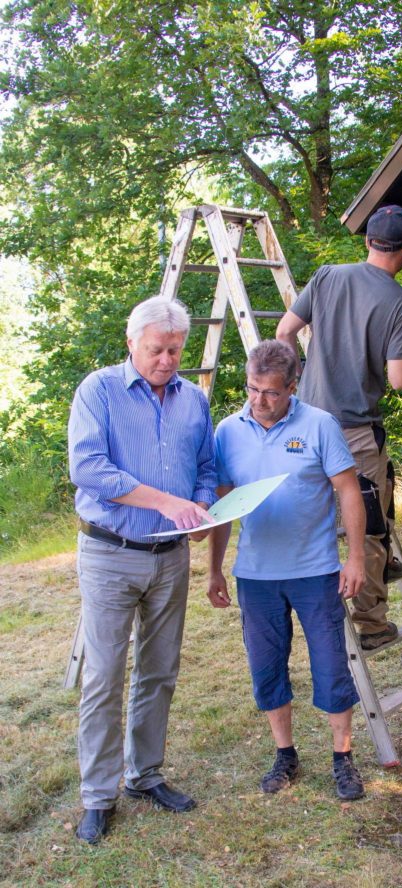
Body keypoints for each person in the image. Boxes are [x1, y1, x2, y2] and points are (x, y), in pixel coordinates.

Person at [68, 295, 217, 844]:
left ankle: (144, 775)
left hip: (170, 557)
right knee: (104, 676)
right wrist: (162, 502)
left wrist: (199, 509)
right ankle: (97, 797)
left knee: (159, 671)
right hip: (110, 553)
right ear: (131, 344)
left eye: (175, 350)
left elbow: (205, 467)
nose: (167, 360)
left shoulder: (193, 400)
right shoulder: (99, 390)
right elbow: (87, 467)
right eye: (156, 350)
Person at [276, 205, 402, 650]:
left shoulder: (329, 275)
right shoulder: (400, 304)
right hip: (352, 432)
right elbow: (399, 378)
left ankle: (374, 571)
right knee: (366, 526)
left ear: (369, 242)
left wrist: (301, 382)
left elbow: (283, 333)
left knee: (340, 509)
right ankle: (371, 624)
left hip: (305, 423)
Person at [207, 340, 368, 800]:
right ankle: (285, 755)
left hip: (315, 571)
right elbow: (222, 506)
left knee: (331, 667)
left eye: (271, 393)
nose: (259, 400)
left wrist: (355, 558)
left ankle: (343, 758)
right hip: (255, 575)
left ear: (293, 387)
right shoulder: (228, 431)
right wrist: (214, 570)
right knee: (266, 667)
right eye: (252, 389)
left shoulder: (319, 426)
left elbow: (349, 492)